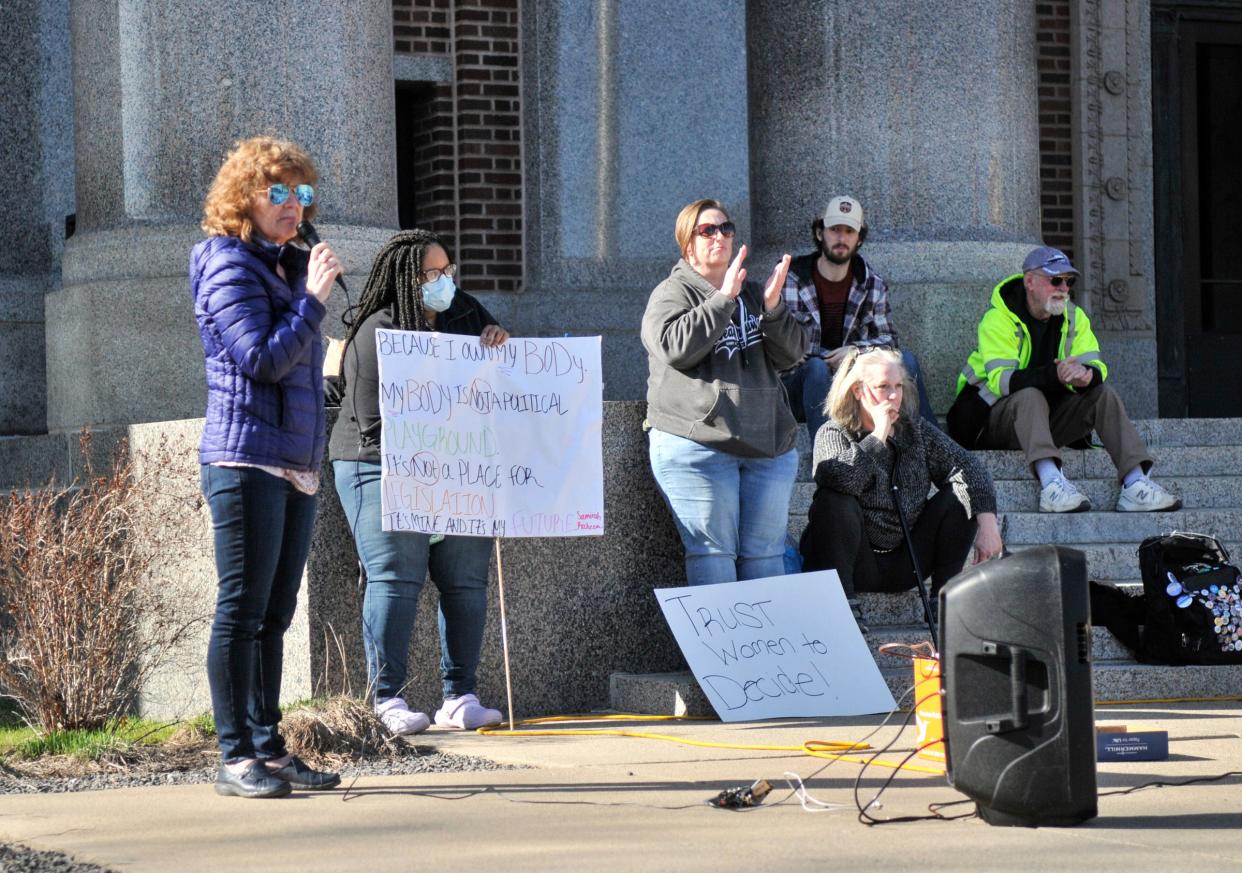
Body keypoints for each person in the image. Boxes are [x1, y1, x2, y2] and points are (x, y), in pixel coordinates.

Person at [192, 136, 343, 798]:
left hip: (294, 460)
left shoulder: (290, 263)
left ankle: (268, 747)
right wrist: (312, 301)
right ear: (242, 200)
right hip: (245, 456)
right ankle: (234, 756)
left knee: (275, 614)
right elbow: (260, 360)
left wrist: (307, 290)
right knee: (242, 608)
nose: (292, 205)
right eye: (277, 192)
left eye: (301, 194)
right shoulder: (228, 264)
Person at [331, 230, 507, 735]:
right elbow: (372, 421)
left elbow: (494, 375)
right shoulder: (375, 331)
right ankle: (385, 699)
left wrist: (498, 341)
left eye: (448, 271)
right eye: (432, 274)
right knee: (395, 573)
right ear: (407, 280)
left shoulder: (465, 313)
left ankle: (460, 696)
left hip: (454, 467)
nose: (444, 282)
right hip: (377, 463)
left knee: (466, 577)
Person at [641, 198, 804, 585]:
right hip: (700, 444)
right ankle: (726, 649)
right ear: (688, 245)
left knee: (766, 558)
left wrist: (773, 309)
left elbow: (793, 354)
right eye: (708, 230)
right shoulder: (671, 292)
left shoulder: (750, 293)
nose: (720, 236)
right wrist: (721, 301)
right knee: (712, 555)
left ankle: (763, 647)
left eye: (726, 229)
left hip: (767, 446)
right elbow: (672, 347)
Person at [947, 246, 1180, 513]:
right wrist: (1055, 374)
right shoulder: (998, 319)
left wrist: (1085, 376)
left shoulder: (1074, 317)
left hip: (1042, 422)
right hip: (989, 422)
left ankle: (1135, 482)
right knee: (1030, 395)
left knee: (1102, 394)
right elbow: (1002, 381)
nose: (1063, 288)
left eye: (1069, 282)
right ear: (1030, 282)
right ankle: (1051, 485)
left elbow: (1096, 365)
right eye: (1055, 280)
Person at [800, 348, 1002, 631]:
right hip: (854, 560)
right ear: (859, 391)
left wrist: (988, 525)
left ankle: (944, 602)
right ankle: (842, 606)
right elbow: (844, 479)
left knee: (961, 492)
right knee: (833, 499)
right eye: (883, 387)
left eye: (898, 387)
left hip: (907, 559)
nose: (894, 396)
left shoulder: (916, 431)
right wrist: (878, 435)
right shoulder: (833, 432)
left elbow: (969, 466)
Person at [780, 195, 937, 443]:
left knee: (906, 361)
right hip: (798, 389)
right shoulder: (792, 278)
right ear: (820, 233)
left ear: (859, 238)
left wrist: (855, 352)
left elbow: (890, 342)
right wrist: (833, 358)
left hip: (853, 387)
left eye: (849, 231)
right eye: (834, 230)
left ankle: (931, 450)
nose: (841, 239)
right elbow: (783, 347)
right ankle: (829, 458)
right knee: (816, 368)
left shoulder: (871, 283)